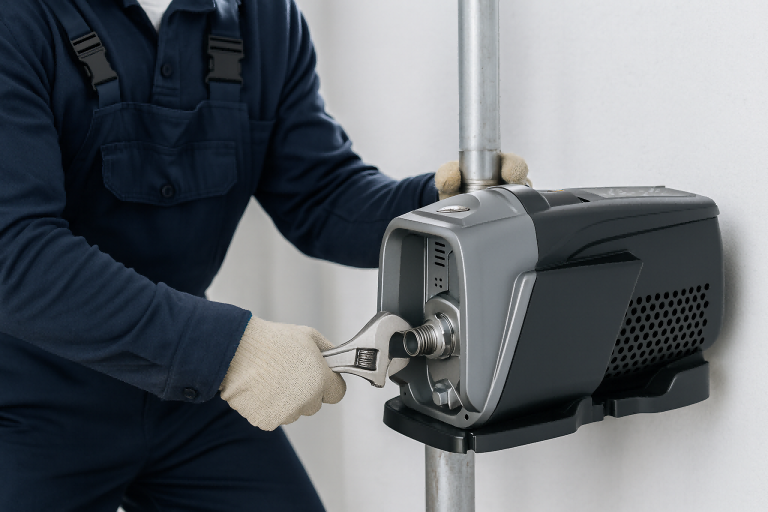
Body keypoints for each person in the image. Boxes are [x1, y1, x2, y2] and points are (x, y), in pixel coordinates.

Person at [0, 0, 529, 510]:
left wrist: (441, 210)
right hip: (26, 389)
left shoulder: (264, 17)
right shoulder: (17, 18)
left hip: (182, 391)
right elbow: (14, 253)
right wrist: (232, 351)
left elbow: (320, 196)